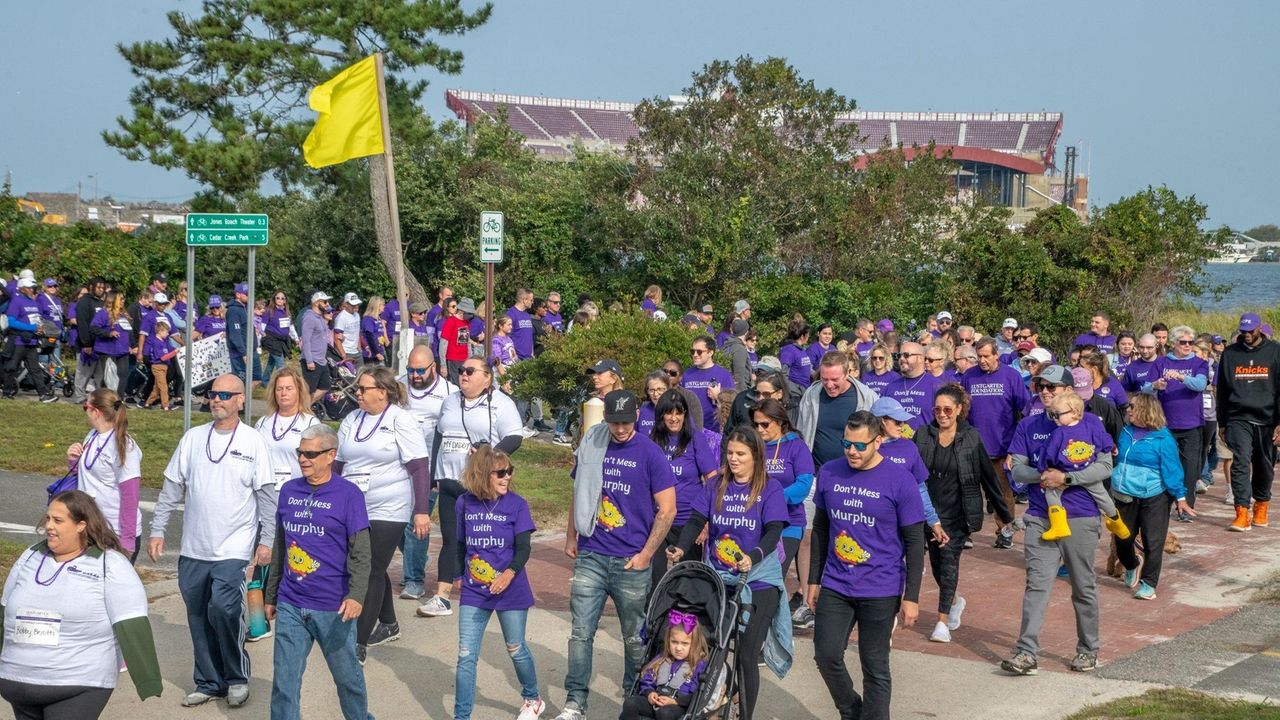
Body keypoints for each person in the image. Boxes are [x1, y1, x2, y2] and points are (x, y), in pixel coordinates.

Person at [148, 374, 276, 707]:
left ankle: (236, 677)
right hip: (194, 547)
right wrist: (158, 529)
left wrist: (267, 541)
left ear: (240, 400)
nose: (216, 399)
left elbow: (266, 497)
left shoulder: (252, 441)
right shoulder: (192, 438)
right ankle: (208, 681)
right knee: (197, 616)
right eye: (212, 394)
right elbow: (172, 488)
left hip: (233, 548)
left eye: (223, 394)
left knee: (224, 608)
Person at [557, 390, 676, 720]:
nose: (620, 429)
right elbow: (579, 490)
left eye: (625, 422)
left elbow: (667, 510)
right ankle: (575, 701)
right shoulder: (594, 442)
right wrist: (571, 534)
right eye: (613, 422)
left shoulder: (651, 454)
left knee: (634, 638)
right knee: (580, 633)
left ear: (637, 415)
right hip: (592, 553)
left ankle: (633, 697)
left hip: (631, 560)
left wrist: (646, 555)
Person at [0, 491, 161, 719]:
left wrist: (147, 679)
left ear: (81, 525)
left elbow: (131, 623)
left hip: (77, 685)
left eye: (58, 520)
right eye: (48, 519)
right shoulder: (30, 556)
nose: (49, 526)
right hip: (18, 682)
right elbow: (4, 613)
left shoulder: (109, 565)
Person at [668, 426, 791, 720]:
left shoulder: (768, 488)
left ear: (755, 456)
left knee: (746, 653)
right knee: (708, 644)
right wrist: (681, 549)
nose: (733, 459)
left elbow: (774, 531)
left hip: (759, 578)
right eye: (730, 453)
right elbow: (697, 519)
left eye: (740, 454)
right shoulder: (716, 485)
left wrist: (753, 556)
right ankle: (706, 703)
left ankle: (745, 713)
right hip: (720, 576)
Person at [808, 411, 925, 720]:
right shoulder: (831, 472)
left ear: (878, 441)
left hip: (881, 587)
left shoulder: (900, 480)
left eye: (860, 446)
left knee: (874, 667)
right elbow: (821, 528)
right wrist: (813, 580)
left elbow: (914, 542)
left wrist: (911, 596)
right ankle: (851, 710)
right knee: (826, 654)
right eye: (847, 443)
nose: (851, 451)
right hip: (836, 582)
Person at [1002, 366, 1112, 676]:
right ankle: (1026, 653)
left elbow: (1106, 466)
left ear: (1068, 389)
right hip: (1040, 516)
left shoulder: (1090, 423)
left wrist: (1067, 477)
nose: (1046, 391)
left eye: (1053, 386)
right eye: (1041, 386)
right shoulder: (1027, 426)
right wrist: (1045, 477)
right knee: (1036, 585)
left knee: (1083, 586)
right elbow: (1018, 471)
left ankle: (1088, 650)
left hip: (1081, 516)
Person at [264, 424, 373, 720]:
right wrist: (271, 594)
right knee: (284, 684)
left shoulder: (349, 495)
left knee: (348, 682)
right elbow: (280, 546)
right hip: (291, 603)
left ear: (330, 455)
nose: (303, 459)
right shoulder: (288, 491)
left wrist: (356, 595)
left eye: (311, 454)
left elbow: (361, 552)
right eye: (300, 452)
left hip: (333, 606)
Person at [333, 366, 431, 664]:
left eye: (363, 389)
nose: (357, 393)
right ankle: (388, 622)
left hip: (390, 506)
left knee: (371, 568)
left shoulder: (401, 420)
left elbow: (419, 467)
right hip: (353, 504)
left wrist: (422, 511)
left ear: (383, 391)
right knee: (368, 564)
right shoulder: (351, 419)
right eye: (357, 389)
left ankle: (359, 641)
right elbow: (338, 464)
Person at [421, 357, 523, 618]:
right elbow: (440, 437)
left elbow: (515, 436)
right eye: (460, 370)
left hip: (478, 483)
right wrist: (434, 476)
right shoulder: (450, 401)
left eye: (469, 371)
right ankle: (442, 596)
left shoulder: (500, 403)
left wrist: (491, 453)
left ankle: (487, 587)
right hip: (449, 480)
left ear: (487, 378)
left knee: (479, 540)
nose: (463, 375)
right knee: (450, 539)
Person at [451, 446, 546, 720]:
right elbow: (458, 544)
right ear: (482, 474)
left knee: (515, 649)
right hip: (474, 591)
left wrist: (508, 574)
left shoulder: (517, 504)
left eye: (509, 472)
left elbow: (523, 549)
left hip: (510, 588)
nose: (507, 477)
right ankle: (461, 716)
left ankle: (532, 698)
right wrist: (457, 575)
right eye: (501, 473)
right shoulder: (464, 503)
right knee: (466, 655)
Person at [911, 387, 1011, 643]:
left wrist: (1005, 516)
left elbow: (989, 478)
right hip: (928, 512)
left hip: (958, 512)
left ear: (958, 410)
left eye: (947, 409)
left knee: (949, 563)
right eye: (937, 410)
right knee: (936, 566)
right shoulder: (922, 435)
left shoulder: (971, 437)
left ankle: (942, 622)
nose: (942, 415)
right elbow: (908, 472)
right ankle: (955, 601)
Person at [1111, 394, 1193, 601]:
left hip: (1154, 496)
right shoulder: (1126, 431)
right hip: (1125, 494)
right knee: (1122, 537)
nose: (1128, 409)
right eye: (1129, 406)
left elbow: (1172, 469)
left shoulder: (1163, 438)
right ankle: (1131, 565)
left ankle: (1148, 583)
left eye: (1133, 407)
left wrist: (1180, 497)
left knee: (1152, 541)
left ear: (1147, 411)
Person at [398, 345, 457, 601]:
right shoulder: (398, 387)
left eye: (420, 370)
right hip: (399, 468)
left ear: (433, 367)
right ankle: (417, 556)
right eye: (411, 370)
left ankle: (414, 580)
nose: (415, 376)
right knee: (397, 523)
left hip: (430, 470)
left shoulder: (449, 393)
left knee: (415, 523)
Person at [752, 398, 816, 628]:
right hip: (757, 522)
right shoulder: (754, 446)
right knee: (755, 577)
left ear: (780, 421)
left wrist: (774, 498)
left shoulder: (796, 446)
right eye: (756, 424)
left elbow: (804, 484)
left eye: (765, 424)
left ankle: (770, 631)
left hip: (789, 523)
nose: (760, 429)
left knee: (772, 576)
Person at [961, 337, 1030, 546]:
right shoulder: (969, 376)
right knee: (969, 492)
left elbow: (1024, 410)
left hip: (1002, 446)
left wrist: (1017, 447)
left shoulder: (1011, 376)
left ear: (996, 355)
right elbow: (962, 410)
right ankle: (965, 531)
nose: (982, 361)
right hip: (974, 446)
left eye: (986, 356)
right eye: (979, 356)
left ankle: (1005, 532)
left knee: (1003, 493)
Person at [1217, 312, 1280, 531]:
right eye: (1243, 331)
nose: (1247, 335)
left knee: (1264, 466)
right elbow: (1223, 390)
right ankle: (1241, 511)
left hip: (1268, 418)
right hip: (1238, 417)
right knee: (1240, 462)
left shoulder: (1275, 351)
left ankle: (1261, 505)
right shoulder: (1230, 353)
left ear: (1259, 328)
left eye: (1251, 331)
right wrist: (1222, 422)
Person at [648, 389, 719, 584]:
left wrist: (706, 521)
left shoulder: (695, 438)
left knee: (687, 579)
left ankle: (685, 615)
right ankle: (654, 614)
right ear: (661, 414)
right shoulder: (652, 441)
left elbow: (712, 479)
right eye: (669, 412)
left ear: (685, 414)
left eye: (678, 412)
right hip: (659, 520)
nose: (673, 418)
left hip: (688, 520)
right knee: (656, 578)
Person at [1037, 392, 1128, 541]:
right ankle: (1117, 523)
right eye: (1052, 414)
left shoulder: (1058, 433)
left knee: (1051, 494)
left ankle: (1059, 526)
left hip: (1064, 472)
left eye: (1057, 414)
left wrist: (1044, 469)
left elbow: (1047, 453)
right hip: (1087, 470)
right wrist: (1112, 447)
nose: (1054, 418)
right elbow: (1104, 439)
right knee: (1104, 497)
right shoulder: (1091, 427)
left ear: (1074, 412)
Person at [67, 388, 143, 560]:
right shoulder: (92, 435)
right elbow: (84, 476)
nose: (85, 411)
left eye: (85, 407)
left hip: (114, 533)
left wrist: (127, 542)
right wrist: (73, 461)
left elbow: (130, 496)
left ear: (96, 412)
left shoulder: (124, 446)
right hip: (91, 527)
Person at [1144, 324, 1209, 520]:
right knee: (1165, 464)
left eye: (1191, 342)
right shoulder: (1161, 362)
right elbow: (1145, 388)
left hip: (1192, 425)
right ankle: (1163, 504)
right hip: (1165, 424)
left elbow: (1200, 384)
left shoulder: (1199, 363)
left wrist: (1181, 377)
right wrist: (1156, 385)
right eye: (1183, 342)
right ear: (1174, 343)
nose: (1187, 345)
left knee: (1190, 469)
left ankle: (1186, 508)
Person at [621, 611, 709, 720]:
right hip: (656, 699)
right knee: (630, 703)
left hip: (679, 706)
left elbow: (698, 694)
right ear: (668, 641)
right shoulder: (661, 659)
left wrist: (676, 701)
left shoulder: (698, 665)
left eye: (685, 644)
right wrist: (649, 693)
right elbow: (647, 677)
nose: (678, 648)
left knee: (664, 714)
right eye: (674, 642)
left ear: (695, 644)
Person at [3, 276, 57, 401]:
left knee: (35, 369)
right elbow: (11, 321)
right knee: (11, 367)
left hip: (32, 341)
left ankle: (43, 395)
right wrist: (31, 328)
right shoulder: (16, 301)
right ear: (22, 288)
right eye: (31, 288)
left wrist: (40, 329)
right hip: (18, 341)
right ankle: (6, 392)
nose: (34, 290)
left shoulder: (33, 302)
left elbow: (36, 319)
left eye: (34, 288)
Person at [884, 341, 946, 433]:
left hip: (925, 444)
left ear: (920, 358)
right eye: (899, 355)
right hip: (898, 444)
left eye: (906, 355)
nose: (901, 359)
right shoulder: (892, 386)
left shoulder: (936, 385)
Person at [681, 336, 736, 433]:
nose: (695, 355)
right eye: (692, 351)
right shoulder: (687, 374)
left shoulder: (724, 375)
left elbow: (732, 407)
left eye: (699, 352)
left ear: (710, 352)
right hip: (690, 430)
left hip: (714, 431)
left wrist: (718, 396)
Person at [89, 290, 132, 398]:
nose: (123, 301)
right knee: (108, 376)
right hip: (107, 350)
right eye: (121, 299)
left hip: (122, 350)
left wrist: (133, 345)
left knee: (123, 374)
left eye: (123, 298)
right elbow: (93, 328)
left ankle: (119, 399)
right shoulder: (103, 313)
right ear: (113, 300)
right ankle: (106, 399)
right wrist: (108, 333)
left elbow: (128, 331)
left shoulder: (123, 314)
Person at [71, 277, 106, 403]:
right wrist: (86, 343)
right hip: (86, 344)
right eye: (98, 287)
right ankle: (80, 396)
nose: (101, 290)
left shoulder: (101, 303)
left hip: (100, 345)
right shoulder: (84, 302)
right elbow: (83, 324)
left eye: (103, 288)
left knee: (99, 373)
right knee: (84, 372)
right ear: (91, 287)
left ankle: (99, 397)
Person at [300, 291, 332, 407]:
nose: (327, 304)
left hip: (321, 360)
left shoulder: (320, 318)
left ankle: (304, 408)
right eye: (325, 302)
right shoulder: (309, 318)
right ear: (316, 303)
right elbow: (306, 340)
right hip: (312, 360)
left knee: (325, 387)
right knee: (310, 390)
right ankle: (303, 412)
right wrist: (309, 360)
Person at [261, 289, 296, 381]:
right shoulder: (269, 311)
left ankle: (264, 381)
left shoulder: (287, 312)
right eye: (278, 298)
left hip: (282, 341)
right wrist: (259, 341)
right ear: (274, 299)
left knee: (271, 362)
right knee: (280, 363)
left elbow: (291, 327)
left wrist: (296, 339)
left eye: (282, 298)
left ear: (285, 300)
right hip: (271, 340)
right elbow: (262, 326)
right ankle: (283, 382)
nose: (280, 300)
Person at [779, 321, 813, 395]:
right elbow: (783, 374)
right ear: (802, 336)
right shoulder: (788, 350)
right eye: (807, 335)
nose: (808, 337)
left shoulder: (802, 350)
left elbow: (808, 370)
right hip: (795, 395)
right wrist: (797, 390)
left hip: (805, 391)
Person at [440, 297, 469, 382]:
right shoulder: (451, 321)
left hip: (464, 359)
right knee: (455, 384)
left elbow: (467, 342)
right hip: (453, 359)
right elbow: (443, 343)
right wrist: (443, 364)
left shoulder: (466, 322)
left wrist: (470, 358)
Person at [638, 370, 672, 438]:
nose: (655, 394)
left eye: (660, 389)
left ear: (668, 389)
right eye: (652, 390)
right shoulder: (642, 412)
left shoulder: (678, 411)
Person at [722, 318, 753, 389]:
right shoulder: (739, 349)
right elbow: (738, 376)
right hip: (739, 391)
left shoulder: (728, 345)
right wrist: (740, 396)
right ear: (745, 332)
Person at [507, 289, 536, 361]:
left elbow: (529, 336)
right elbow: (507, 337)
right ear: (525, 300)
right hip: (517, 358)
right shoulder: (511, 314)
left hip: (529, 358)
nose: (533, 302)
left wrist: (532, 353)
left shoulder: (527, 315)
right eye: (531, 300)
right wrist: (514, 356)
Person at [361, 297, 390, 366]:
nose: (384, 306)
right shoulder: (368, 319)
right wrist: (376, 353)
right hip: (371, 354)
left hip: (380, 351)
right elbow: (369, 337)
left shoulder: (378, 319)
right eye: (383, 304)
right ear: (377, 306)